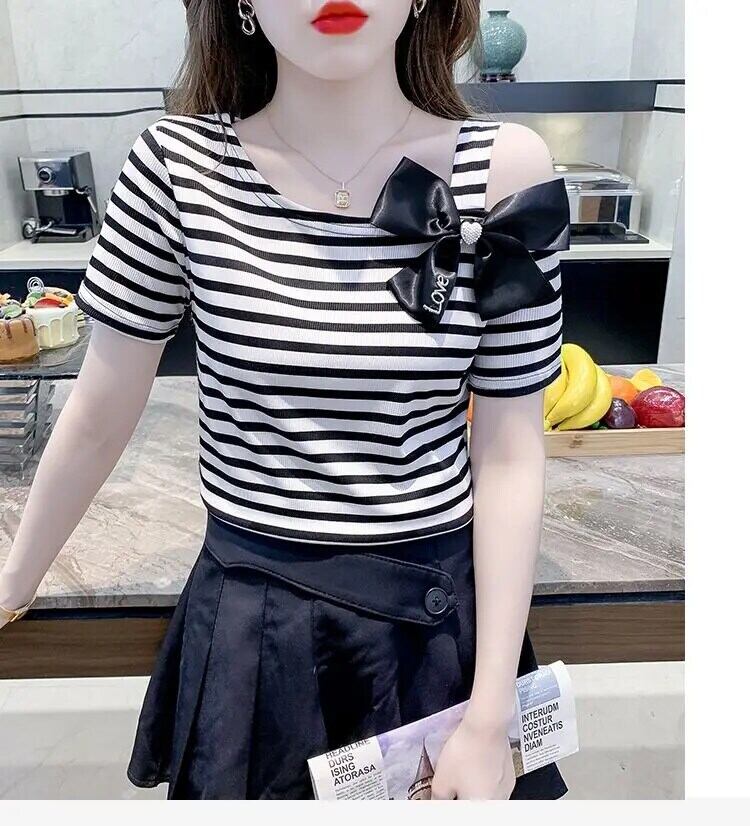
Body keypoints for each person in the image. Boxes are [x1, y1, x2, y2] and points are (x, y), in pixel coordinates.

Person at [0, 0, 570, 800]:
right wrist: (14, 579)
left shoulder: (505, 168)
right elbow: (99, 411)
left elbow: (509, 450)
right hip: (254, 629)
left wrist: (488, 715)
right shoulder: (177, 168)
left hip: (435, 636)